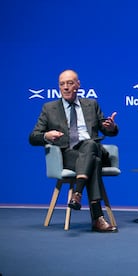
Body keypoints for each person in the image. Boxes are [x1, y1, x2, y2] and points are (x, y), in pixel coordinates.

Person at [29, 69, 119, 233]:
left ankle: (77, 192)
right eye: (62, 84)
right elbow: (33, 137)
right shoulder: (49, 108)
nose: (66, 87)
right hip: (69, 155)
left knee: (90, 145)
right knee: (94, 161)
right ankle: (98, 218)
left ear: (78, 85)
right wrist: (47, 135)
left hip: (93, 149)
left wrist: (111, 128)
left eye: (70, 83)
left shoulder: (91, 104)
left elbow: (106, 129)